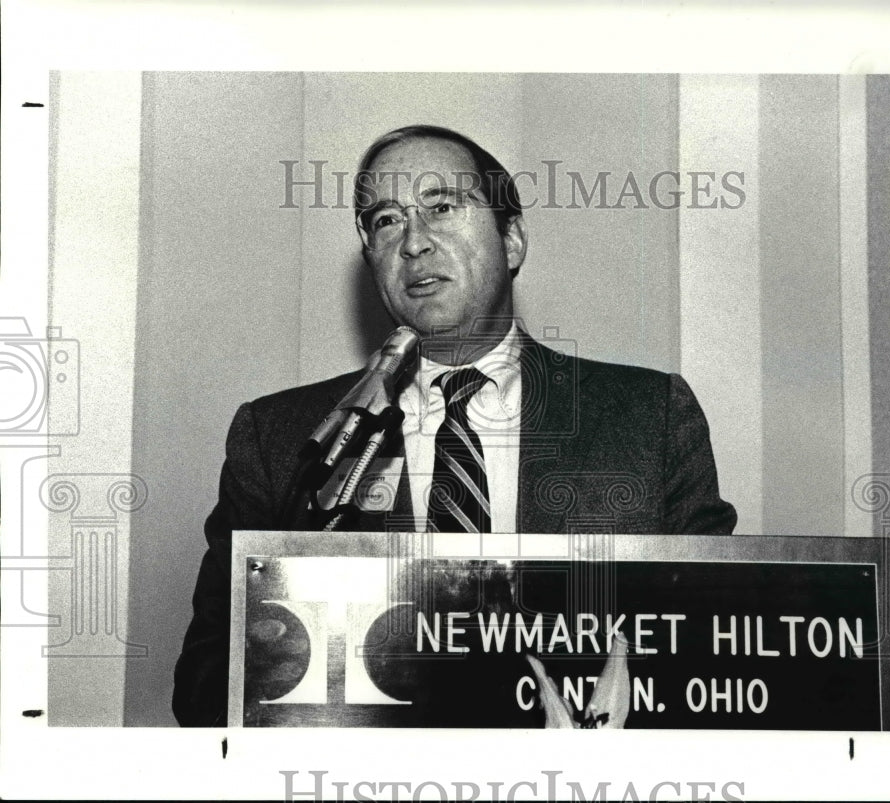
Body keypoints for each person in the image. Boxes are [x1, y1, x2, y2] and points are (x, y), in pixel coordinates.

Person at [173, 124, 737, 727]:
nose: (414, 241)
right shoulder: (283, 438)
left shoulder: (646, 415)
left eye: (443, 206)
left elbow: (719, 655)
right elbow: (208, 685)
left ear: (512, 239)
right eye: (386, 220)